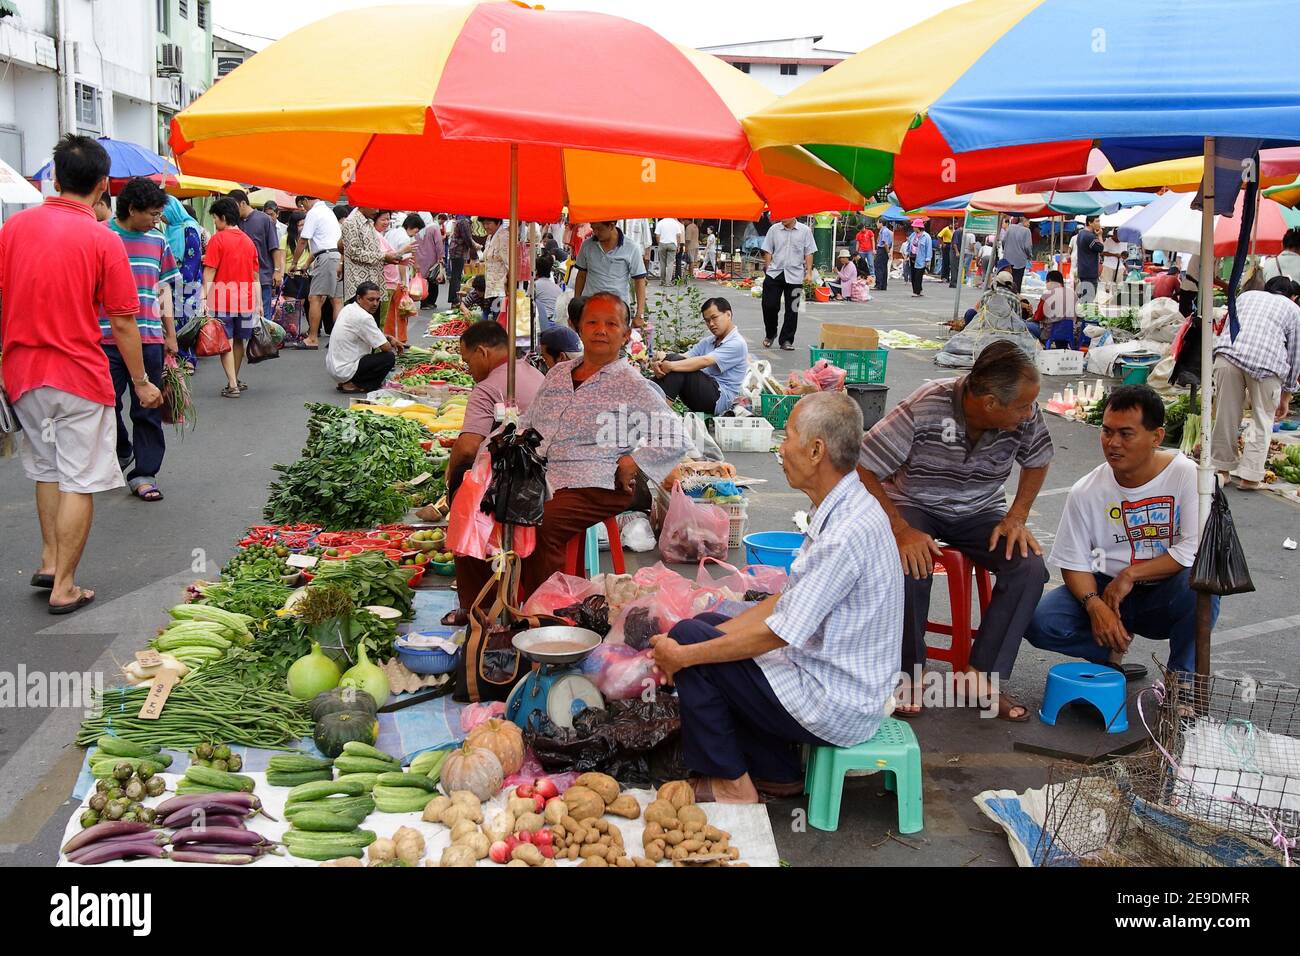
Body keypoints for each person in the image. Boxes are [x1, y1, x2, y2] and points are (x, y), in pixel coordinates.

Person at [650, 392, 902, 803]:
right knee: (699, 630)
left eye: (787, 437)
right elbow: (786, 601)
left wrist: (687, 657)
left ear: (816, 450)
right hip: (832, 679)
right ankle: (775, 771)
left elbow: (777, 634)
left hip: (837, 701)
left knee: (693, 647)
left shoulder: (844, 532)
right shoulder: (844, 505)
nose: (780, 449)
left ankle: (732, 784)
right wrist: (705, 639)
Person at [0, 135, 161, 614]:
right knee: (79, 479)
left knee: (47, 470)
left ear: (55, 177)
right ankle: (63, 585)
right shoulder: (101, 238)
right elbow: (124, 320)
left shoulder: (13, 229)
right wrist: (142, 381)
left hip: (23, 375)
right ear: (100, 186)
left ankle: (50, 560)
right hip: (78, 376)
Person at [857, 340, 1054, 720]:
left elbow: (1039, 459)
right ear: (990, 403)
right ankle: (909, 672)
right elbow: (863, 465)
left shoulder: (1024, 417)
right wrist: (899, 529)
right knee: (910, 563)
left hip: (980, 509)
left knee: (1029, 564)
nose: (1029, 413)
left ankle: (981, 675)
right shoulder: (927, 404)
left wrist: (1017, 517)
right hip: (916, 503)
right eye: (1023, 405)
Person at [1026, 385, 1217, 679]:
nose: (1112, 443)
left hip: (1164, 590)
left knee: (1201, 589)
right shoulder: (1086, 491)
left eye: (1125, 434)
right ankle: (1110, 650)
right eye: (1106, 431)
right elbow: (1073, 561)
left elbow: (1193, 548)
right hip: (1106, 585)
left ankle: (1182, 681)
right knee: (1039, 621)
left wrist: (1130, 575)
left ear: (1157, 437)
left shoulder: (1188, 476)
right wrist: (1094, 605)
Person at [510, 293, 687, 598]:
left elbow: (676, 436)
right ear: (579, 328)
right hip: (543, 475)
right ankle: (486, 607)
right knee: (480, 506)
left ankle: (551, 616)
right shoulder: (557, 374)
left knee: (540, 523)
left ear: (625, 333)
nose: (600, 330)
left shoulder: (632, 384)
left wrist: (635, 461)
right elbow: (528, 423)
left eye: (611, 323)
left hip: (598, 482)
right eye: (592, 322)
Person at [100, 178, 180, 503]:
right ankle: (122, 448)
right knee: (105, 403)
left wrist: (171, 335)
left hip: (148, 337)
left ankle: (144, 473)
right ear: (131, 209)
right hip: (104, 337)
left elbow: (163, 292)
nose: (156, 220)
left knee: (148, 407)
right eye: (152, 213)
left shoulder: (158, 241)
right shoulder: (101, 236)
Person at [447, 320, 546, 573]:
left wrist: (449, 478)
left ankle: (474, 574)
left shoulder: (487, 388)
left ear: (483, 352)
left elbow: (468, 447)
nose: (469, 370)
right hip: (545, 468)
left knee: (462, 478)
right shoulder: (534, 372)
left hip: (522, 484)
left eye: (468, 362)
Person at [1211, 279, 1300, 490]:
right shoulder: (1294, 309)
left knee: (1226, 415)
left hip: (1228, 355)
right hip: (1266, 364)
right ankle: (1250, 478)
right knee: (1262, 418)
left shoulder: (1246, 296)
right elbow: (1296, 354)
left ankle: (1221, 471)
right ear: (1293, 297)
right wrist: (1286, 395)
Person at [203, 196, 262, 399]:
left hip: (223, 299)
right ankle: (234, 380)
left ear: (222, 217)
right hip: (246, 300)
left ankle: (232, 383)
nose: (214, 222)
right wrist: (259, 302)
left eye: (215, 218)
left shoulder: (217, 240)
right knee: (239, 341)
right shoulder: (248, 241)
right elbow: (255, 277)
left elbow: (209, 272)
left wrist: (203, 298)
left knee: (226, 342)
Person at [650, 296, 749, 416]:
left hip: (719, 400)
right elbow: (684, 357)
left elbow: (705, 361)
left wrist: (670, 365)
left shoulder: (737, 343)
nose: (711, 324)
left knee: (675, 364)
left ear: (728, 314)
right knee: (674, 361)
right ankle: (652, 409)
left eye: (714, 318)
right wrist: (660, 359)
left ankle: (657, 415)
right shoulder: (708, 341)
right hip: (702, 393)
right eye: (707, 321)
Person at [326, 282, 404, 394]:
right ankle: (355, 384)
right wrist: (389, 341)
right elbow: (386, 348)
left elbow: (375, 336)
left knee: (374, 348)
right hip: (345, 369)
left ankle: (348, 381)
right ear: (359, 298)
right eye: (371, 300)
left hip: (335, 368)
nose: (375, 304)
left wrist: (389, 337)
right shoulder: (364, 317)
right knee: (388, 358)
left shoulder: (349, 308)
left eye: (377, 300)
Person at [573, 220, 648, 327]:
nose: (595, 232)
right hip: (591, 308)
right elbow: (581, 275)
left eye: (599, 229)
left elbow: (639, 280)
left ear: (611, 225)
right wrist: (576, 303)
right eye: (593, 228)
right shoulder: (587, 246)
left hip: (618, 310)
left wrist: (640, 314)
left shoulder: (631, 247)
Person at [761, 216, 817, 350]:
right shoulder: (774, 229)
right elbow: (767, 249)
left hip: (795, 276)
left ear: (794, 215)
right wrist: (767, 266)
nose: (782, 218)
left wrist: (808, 272)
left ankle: (786, 340)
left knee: (793, 309)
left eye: (785, 215)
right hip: (775, 273)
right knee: (769, 305)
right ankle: (771, 333)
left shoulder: (805, 231)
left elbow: (809, 252)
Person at [293, 196, 343, 348]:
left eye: (302, 205)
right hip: (337, 256)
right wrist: (308, 263)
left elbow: (303, 240)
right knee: (336, 300)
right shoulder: (328, 212)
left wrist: (295, 262)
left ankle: (312, 338)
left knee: (314, 298)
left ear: (305, 201)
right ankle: (339, 340)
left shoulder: (313, 213)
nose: (303, 208)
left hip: (326, 257)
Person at [230, 189, 284, 325]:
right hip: (240, 279)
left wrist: (277, 271)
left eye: (234, 206)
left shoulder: (264, 219)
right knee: (244, 319)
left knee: (262, 316)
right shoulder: (235, 223)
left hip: (263, 276)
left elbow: (274, 248)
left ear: (242, 203)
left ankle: (263, 345)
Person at [161, 195, 204, 329]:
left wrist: (178, 284)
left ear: (171, 210)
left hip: (186, 285)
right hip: (171, 285)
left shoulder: (189, 228)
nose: (160, 217)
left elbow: (193, 259)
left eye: (162, 212)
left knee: (186, 329)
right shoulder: (170, 229)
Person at [341, 207, 395, 303]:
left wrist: (388, 258)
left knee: (373, 317)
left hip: (375, 282)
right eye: (374, 207)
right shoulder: (350, 223)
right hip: (358, 284)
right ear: (363, 204)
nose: (377, 211)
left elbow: (375, 251)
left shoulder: (369, 223)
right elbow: (354, 252)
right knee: (359, 316)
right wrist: (383, 257)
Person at [1032, 270, 1080, 348]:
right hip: (1069, 331)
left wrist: (1032, 316)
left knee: (1026, 326)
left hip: (1050, 332)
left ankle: (1041, 346)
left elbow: (1038, 317)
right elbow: (1078, 313)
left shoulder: (1047, 295)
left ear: (1050, 281)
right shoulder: (1073, 294)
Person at [408, 212, 445, 309]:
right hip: (432, 258)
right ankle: (431, 302)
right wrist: (441, 257)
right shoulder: (433, 227)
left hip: (419, 258)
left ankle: (423, 302)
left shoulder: (416, 229)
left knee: (422, 281)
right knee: (433, 280)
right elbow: (438, 243)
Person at [447, 214, 479, 302]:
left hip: (456, 251)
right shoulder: (464, 222)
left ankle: (453, 299)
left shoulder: (461, 220)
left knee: (455, 276)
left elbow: (468, 238)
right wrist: (475, 250)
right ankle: (455, 300)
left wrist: (475, 245)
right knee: (456, 276)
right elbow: (468, 239)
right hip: (458, 251)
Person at [1075, 215, 1104, 303]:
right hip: (1090, 272)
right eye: (1097, 221)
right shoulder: (1090, 236)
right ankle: (1084, 316)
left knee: (1085, 298)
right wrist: (1100, 235)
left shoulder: (1081, 234)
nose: (1099, 223)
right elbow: (1101, 248)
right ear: (1090, 223)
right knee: (1088, 299)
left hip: (1083, 271)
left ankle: (1081, 315)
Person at [1001, 216, 1034, 293]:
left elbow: (1003, 241)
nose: (1029, 224)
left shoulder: (1010, 227)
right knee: (1017, 282)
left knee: (1006, 281)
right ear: (1024, 221)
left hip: (1007, 260)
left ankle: (1006, 296)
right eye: (1029, 221)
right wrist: (1029, 256)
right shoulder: (1027, 231)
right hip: (1020, 261)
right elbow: (1027, 247)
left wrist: (1005, 250)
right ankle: (1015, 298)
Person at [531, 253, 561, 327]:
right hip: (555, 323)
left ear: (536, 270)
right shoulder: (558, 288)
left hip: (540, 323)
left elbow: (528, 302)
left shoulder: (534, 285)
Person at [904, 219, 932, 297]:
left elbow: (928, 249)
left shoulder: (926, 237)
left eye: (914, 226)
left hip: (921, 259)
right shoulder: (913, 235)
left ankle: (917, 291)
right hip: (912, 257)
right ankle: (916, 290)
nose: (913, 228)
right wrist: (906, 254)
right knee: (913, 274)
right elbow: (909, 245)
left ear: (918, 227)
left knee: (918, 275)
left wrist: (928, 259)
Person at [655, 215, 684, 287]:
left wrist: (659, 244)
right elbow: (678, 235)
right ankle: (668, 282)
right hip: (672, 244)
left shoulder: (660, 222)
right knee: (670, 263)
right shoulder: (675, 223)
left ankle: (662, 281)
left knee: (662, 263)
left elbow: (657, 235)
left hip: (662, 244)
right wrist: (678, 245)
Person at [1101, 228, 1126, 294]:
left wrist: (1124, 256)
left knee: (1119, 286)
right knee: (1106, 286)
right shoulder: (1108, 241)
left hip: (1119, 266)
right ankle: (1106, 299)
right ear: (1114, 234)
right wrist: (1114, 255)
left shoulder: (1124, 242)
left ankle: (1116, 300)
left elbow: (1125, 254)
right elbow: (1102, 253)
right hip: (1108, 266)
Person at [874, 222, 893, 291]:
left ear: (881, 223)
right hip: (883, 250)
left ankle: (879, 284)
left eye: (877, 223)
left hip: (882, 250)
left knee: (878, 266)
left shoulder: (884, 231)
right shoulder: (884, 231)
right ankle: (883, 285)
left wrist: (888, 252)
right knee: (883, 267)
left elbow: (885, 243)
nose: (876, 224)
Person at [683, 218, 700, 285]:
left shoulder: (689, 227)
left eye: (684, 221)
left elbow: (688, 239)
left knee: (690, 261)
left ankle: (690, 274)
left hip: (691, 245)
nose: (684, 222)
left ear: (687, 220)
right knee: (692, 261)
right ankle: (691, 273)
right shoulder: (695, 226)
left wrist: (686, 247)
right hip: (696, 245)